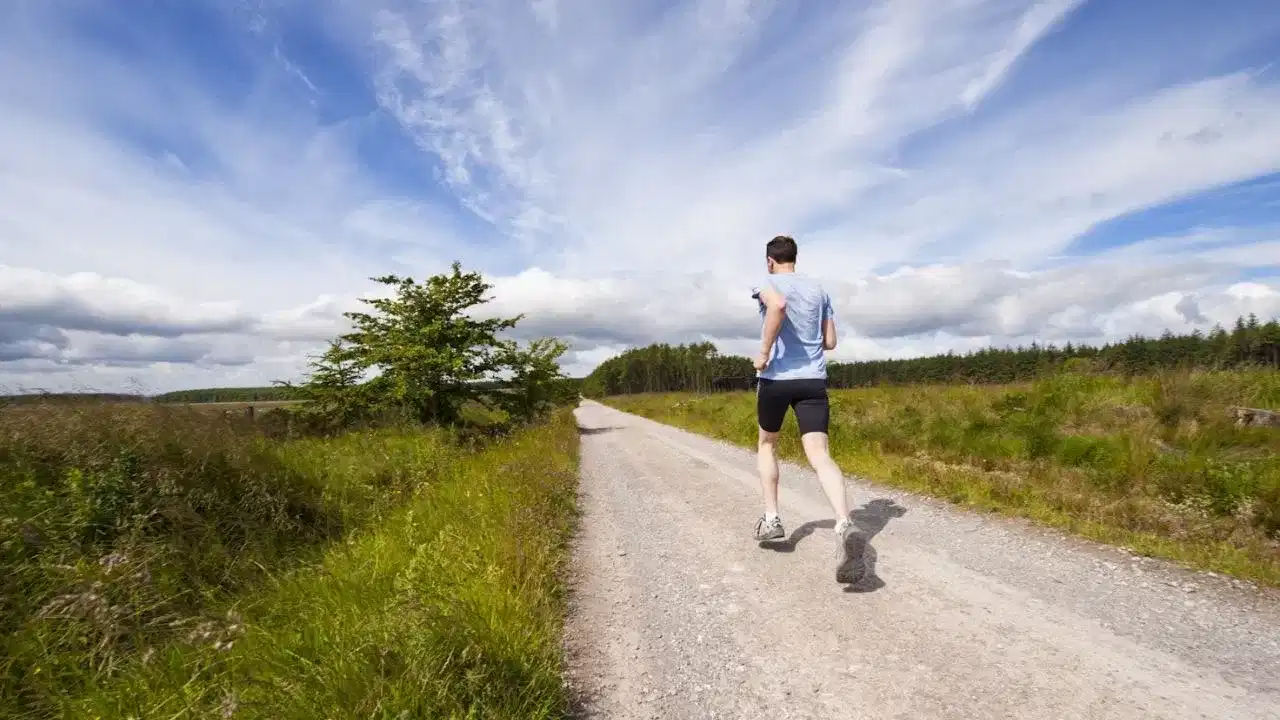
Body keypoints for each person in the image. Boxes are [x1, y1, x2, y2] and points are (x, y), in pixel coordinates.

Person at [750, 235, 864, 583]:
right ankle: (844, 522)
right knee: (819, 453)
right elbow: (830, 341)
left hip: (776, 379)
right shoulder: (819, 290)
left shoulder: (766, 283)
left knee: (768, 443)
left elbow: (778, 305)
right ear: (794, 259)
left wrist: (765, 352)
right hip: (813, 381)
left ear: (770, 261)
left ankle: (772, 520)